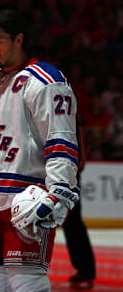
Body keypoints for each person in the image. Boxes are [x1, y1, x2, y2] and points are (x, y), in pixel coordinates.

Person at [0, 9, 79, 291]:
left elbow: (60, 141)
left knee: (27, 283)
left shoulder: (46, 81)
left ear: (19, 39)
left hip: (25, 203)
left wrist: (59, 193)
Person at [62, 114, 96, 290]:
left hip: (68, 173)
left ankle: (86, 270)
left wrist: (73, 174)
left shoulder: (73, 115)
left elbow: (82, 154)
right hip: (56, 170)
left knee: (72, 223)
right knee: (72, 224)